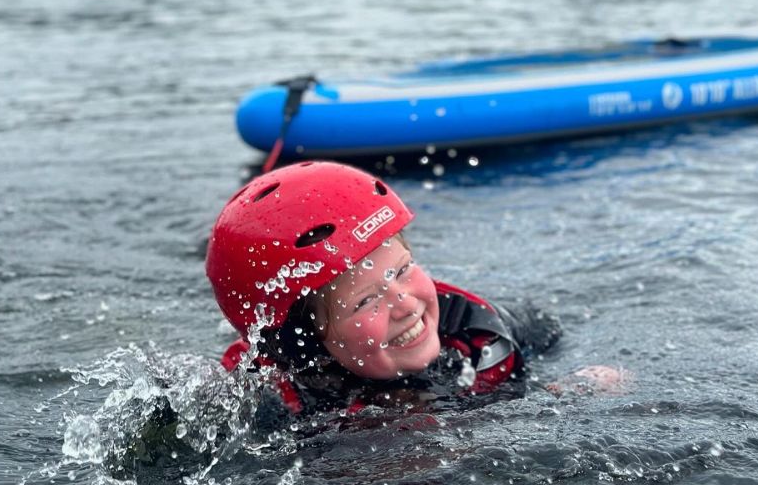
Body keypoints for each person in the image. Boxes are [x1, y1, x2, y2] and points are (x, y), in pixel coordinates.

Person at [205, 161, 619, 417]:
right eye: (366, 301)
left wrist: (570, 389)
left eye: (403, 271)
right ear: (305, 342)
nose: (404, 304)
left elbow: (549, 336)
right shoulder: (267, 396)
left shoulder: (477, 331)